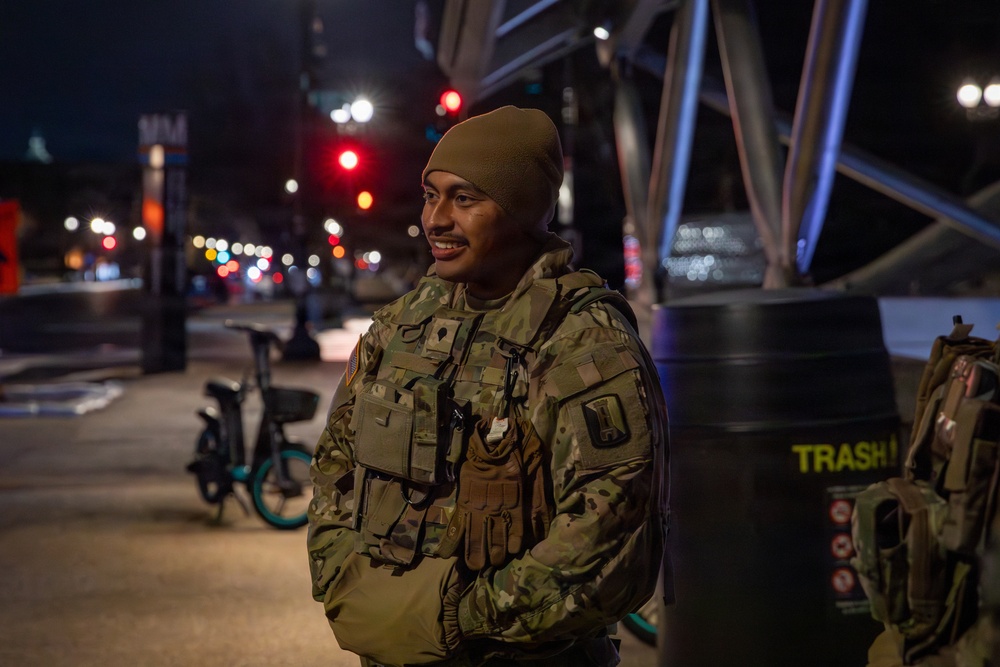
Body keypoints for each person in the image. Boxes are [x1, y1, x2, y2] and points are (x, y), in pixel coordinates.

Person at [307, 105, 669, 667]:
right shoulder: (400, 327)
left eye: (465, 198)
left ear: (522, 209)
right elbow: (336, 465)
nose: (436, 220)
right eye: (431, 194)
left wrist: (456, 619)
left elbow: (611, 537)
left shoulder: (581, 343)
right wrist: (343, 579)